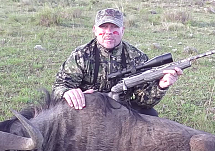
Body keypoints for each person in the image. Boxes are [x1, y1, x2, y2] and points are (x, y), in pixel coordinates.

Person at [52, 8, 183, 116]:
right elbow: (59, 86)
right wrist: (67, 92)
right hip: (86, 108)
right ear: (95, 30)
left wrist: (161, 86)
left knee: (150, 114)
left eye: (114, 27)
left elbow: (144, 102)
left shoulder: (137, 57)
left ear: (122, 30)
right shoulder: (81, 55)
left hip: (122, 108)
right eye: (103, 27)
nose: (108, 32)